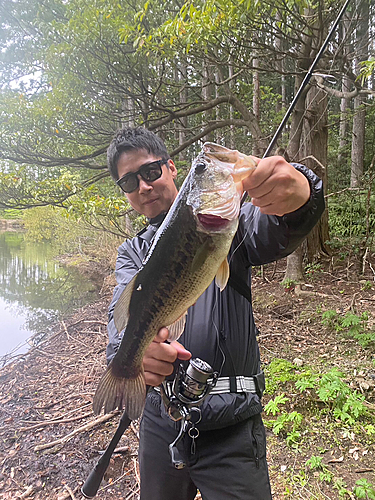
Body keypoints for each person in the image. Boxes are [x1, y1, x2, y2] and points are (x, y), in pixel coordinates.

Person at [105, 126, 325, 500]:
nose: (142, 186)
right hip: (161, 424)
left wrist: (302, 192)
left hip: (232, 429)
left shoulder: (228, 222)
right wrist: (132, 360)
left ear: (171, 168)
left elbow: (279, 228)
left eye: (150, 172)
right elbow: (121, 319)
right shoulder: (132, 253)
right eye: (129, 181)